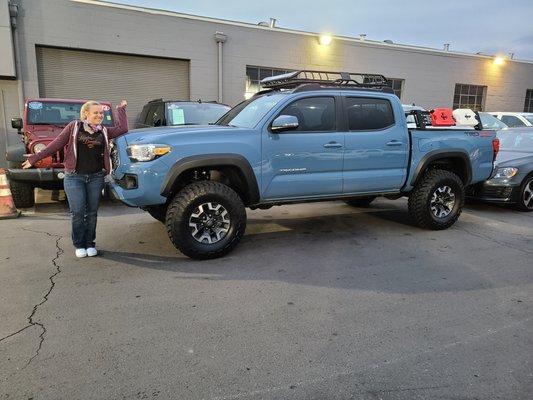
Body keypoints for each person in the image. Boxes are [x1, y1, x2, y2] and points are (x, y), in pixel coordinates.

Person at [22, 100, 129, 258]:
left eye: (101, 113)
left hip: (96, 177)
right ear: (86, 114)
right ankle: (79, 244)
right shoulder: (74, 127)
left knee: (92, 213)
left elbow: (123, 128)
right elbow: (56, 144)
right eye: (96, 112)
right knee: (78, 213)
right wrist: (35, 158)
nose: (100, 115)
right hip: (74, 177)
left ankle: (90, 243)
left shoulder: (104, 131)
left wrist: (121, 109)